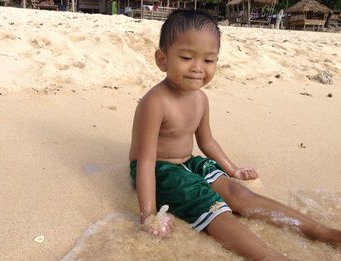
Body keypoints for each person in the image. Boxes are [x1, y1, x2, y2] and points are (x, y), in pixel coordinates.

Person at [129, 9, 341, 260]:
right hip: (158, 169)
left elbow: (206, 141)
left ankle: (322, 231)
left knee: (239, 194)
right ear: (162, 60)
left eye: (208, 60)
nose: (198, 68)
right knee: (212, 206)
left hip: (190, 162)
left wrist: (233, 169)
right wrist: (149, 215)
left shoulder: (201, 99)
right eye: (186, 57)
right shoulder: (154, 102)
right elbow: (144, 162)